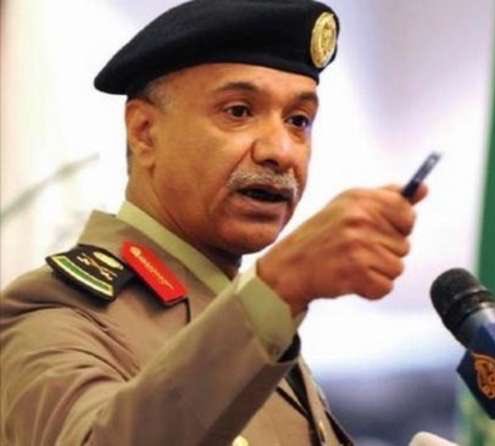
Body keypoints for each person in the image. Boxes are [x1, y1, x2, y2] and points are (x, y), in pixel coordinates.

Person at [0, 1, 427, 445]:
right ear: (144, 131)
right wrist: (280, 286)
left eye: (298, 120)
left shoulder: (245, 317)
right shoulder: (52, 315)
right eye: (238, 111)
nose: (280, 151)